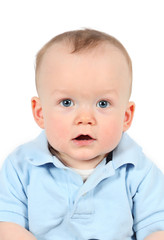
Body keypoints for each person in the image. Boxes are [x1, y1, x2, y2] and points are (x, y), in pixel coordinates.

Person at [0, 29, 164, 240]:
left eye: (102, 103)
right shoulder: (21, 167)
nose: (85, 118)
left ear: (126, 116)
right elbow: (7, 226)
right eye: (66, 102)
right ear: (40, 113)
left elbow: (157, 231)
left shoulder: (139, 172)